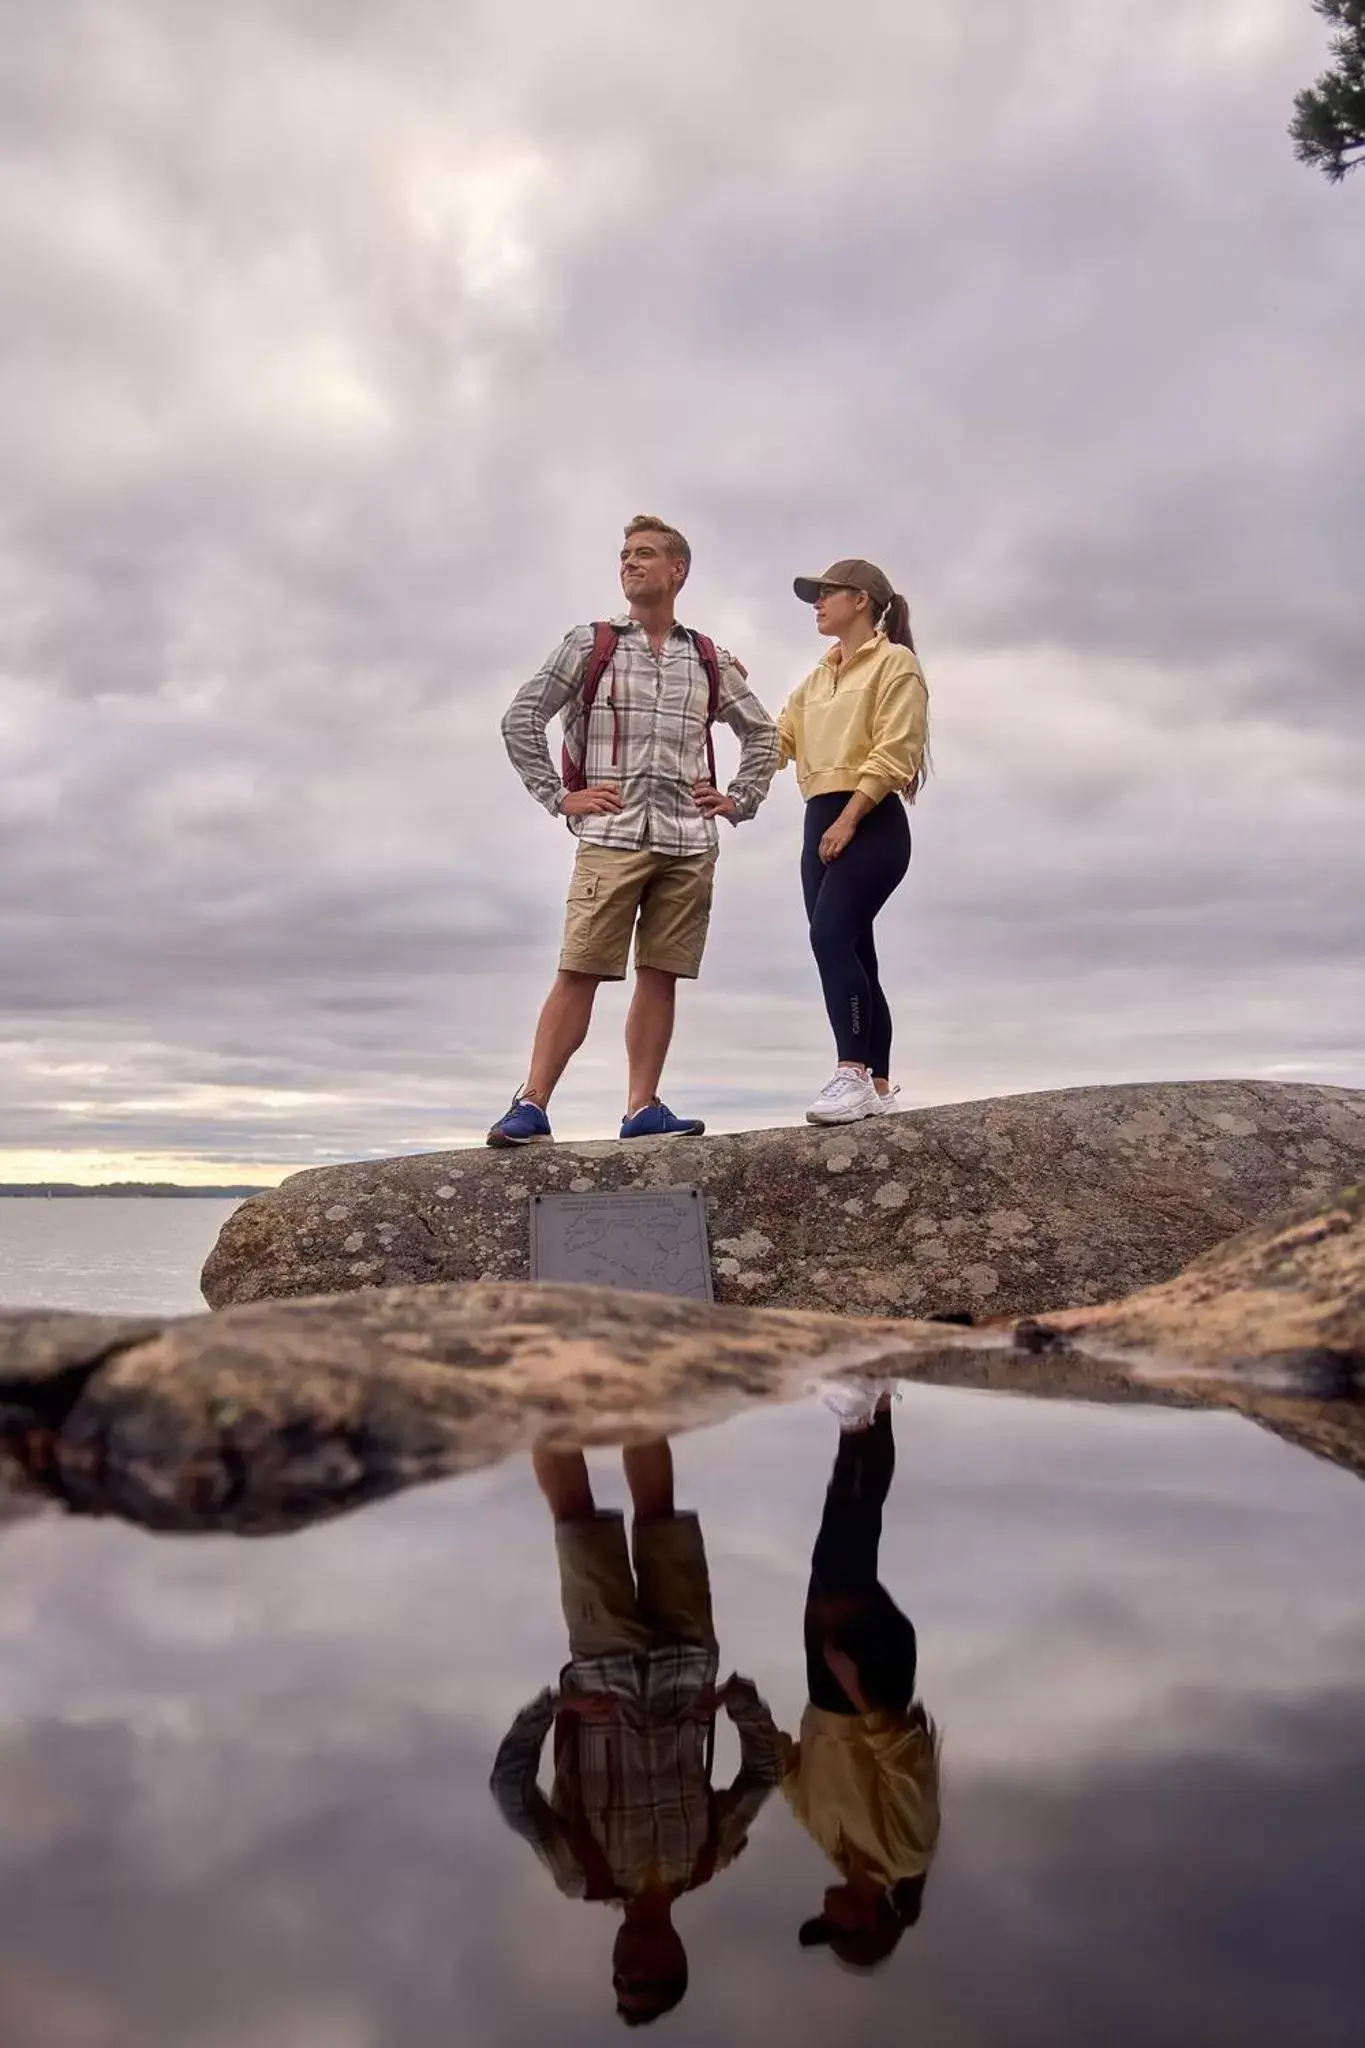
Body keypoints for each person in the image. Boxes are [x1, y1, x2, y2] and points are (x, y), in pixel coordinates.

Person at [493, 516, 780, 1147]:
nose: (630, 563)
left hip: (688, 843)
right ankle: (532, 1104)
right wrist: (559, 798)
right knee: (580, 969)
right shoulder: (591, 643)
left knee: (660, 973)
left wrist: (739, 798)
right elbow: (521, 719)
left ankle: (643, 1108)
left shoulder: (706, 656)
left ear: (677, 570)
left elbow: (762, 732)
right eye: (624, 555)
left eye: (645, 554)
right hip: (611, 836)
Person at [490, 1438, 784, 2027]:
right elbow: (764, 1771)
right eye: (644, 1980)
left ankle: (546, 1397)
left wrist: (550, 1707)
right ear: (676, 1960)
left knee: (574, 1518)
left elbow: (510, 1791)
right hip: (687, 1662)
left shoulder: (582, 1876)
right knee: (658, 1512)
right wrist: (736, 1703)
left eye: (620, 1981)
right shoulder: (707, 1857)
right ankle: (632, 1395)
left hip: (606, 1667)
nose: (627, 1970)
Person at [778, 1385, 941, 1972]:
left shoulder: (830, 1842)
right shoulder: (905, 1852)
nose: (823, 1914)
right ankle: (854, 1418)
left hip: (826, 1685)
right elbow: (908, 1763)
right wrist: (857, 1690)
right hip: (867, 1683)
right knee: (840, 1551)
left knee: (849, 1539)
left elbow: (785, 1771)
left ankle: (878, 1406)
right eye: (834, 1925)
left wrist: (734, 1704)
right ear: (871, 1921)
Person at [777, 559, 929, 1125]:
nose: (817, 603)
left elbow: (897, 750)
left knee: (830, 934)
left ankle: (853, 1073)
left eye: (826, 593)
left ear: (861, 599)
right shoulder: (815, 678)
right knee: (854, 948)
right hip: (820, 816)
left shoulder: (896, 664)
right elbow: (778, 740)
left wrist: (849, 819)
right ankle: (881, 1086)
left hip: (872, 820)